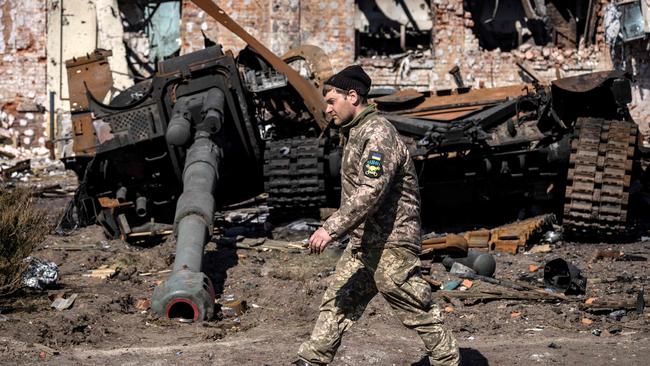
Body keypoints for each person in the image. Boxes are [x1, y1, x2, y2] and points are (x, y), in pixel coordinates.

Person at [294, 65, 460, 366]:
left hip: (391, 241)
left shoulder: (378, 134)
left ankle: (448, 360)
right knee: (338, 301)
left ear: (353, 96)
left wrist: (330, 229)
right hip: (364, 242)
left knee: (413, 305)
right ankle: (311, 360)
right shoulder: (357, 133)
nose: (327, 109)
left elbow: (371, 190)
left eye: (332, 101)